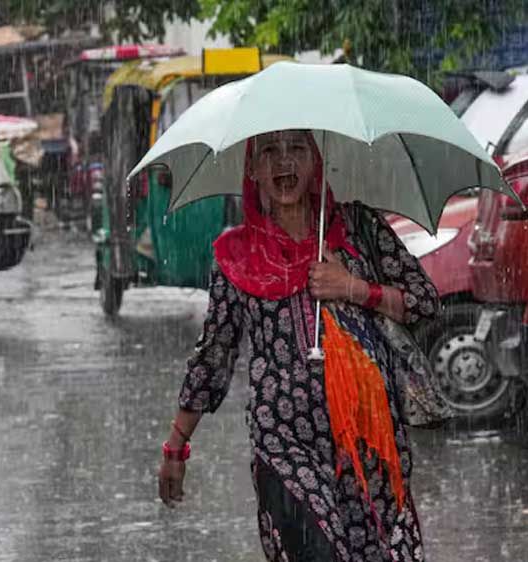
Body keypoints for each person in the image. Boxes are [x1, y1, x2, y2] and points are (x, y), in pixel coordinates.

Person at [158, 129, 440, 562]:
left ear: (315, 162)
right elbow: (213, 357)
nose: (283, 161)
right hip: (283, 445)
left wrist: (354, 288)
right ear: (253, 169)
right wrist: (176, 447)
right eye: (269, 151)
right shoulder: (237, 256)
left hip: (369, 441)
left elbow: (424, 303)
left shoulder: (359, 228)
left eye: (296, 148)